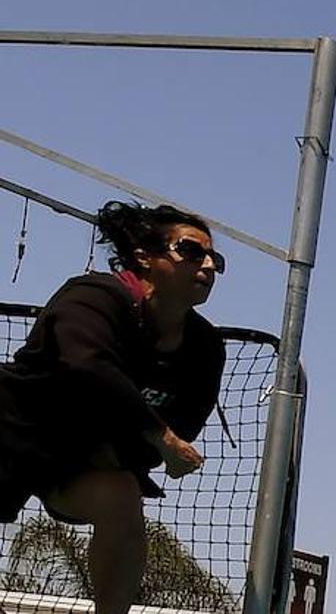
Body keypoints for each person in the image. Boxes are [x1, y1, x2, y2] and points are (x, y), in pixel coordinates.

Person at [0, 201, 226, 614]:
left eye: (215, 258)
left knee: (122, 494)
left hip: (78, 463)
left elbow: (185, 424)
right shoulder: (94, 296)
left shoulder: (205, 348)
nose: (208, 265)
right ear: (144, 256)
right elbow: (87, 367)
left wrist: (139, 445)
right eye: (191, 251)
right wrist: (160, 437)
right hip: (12, 434)